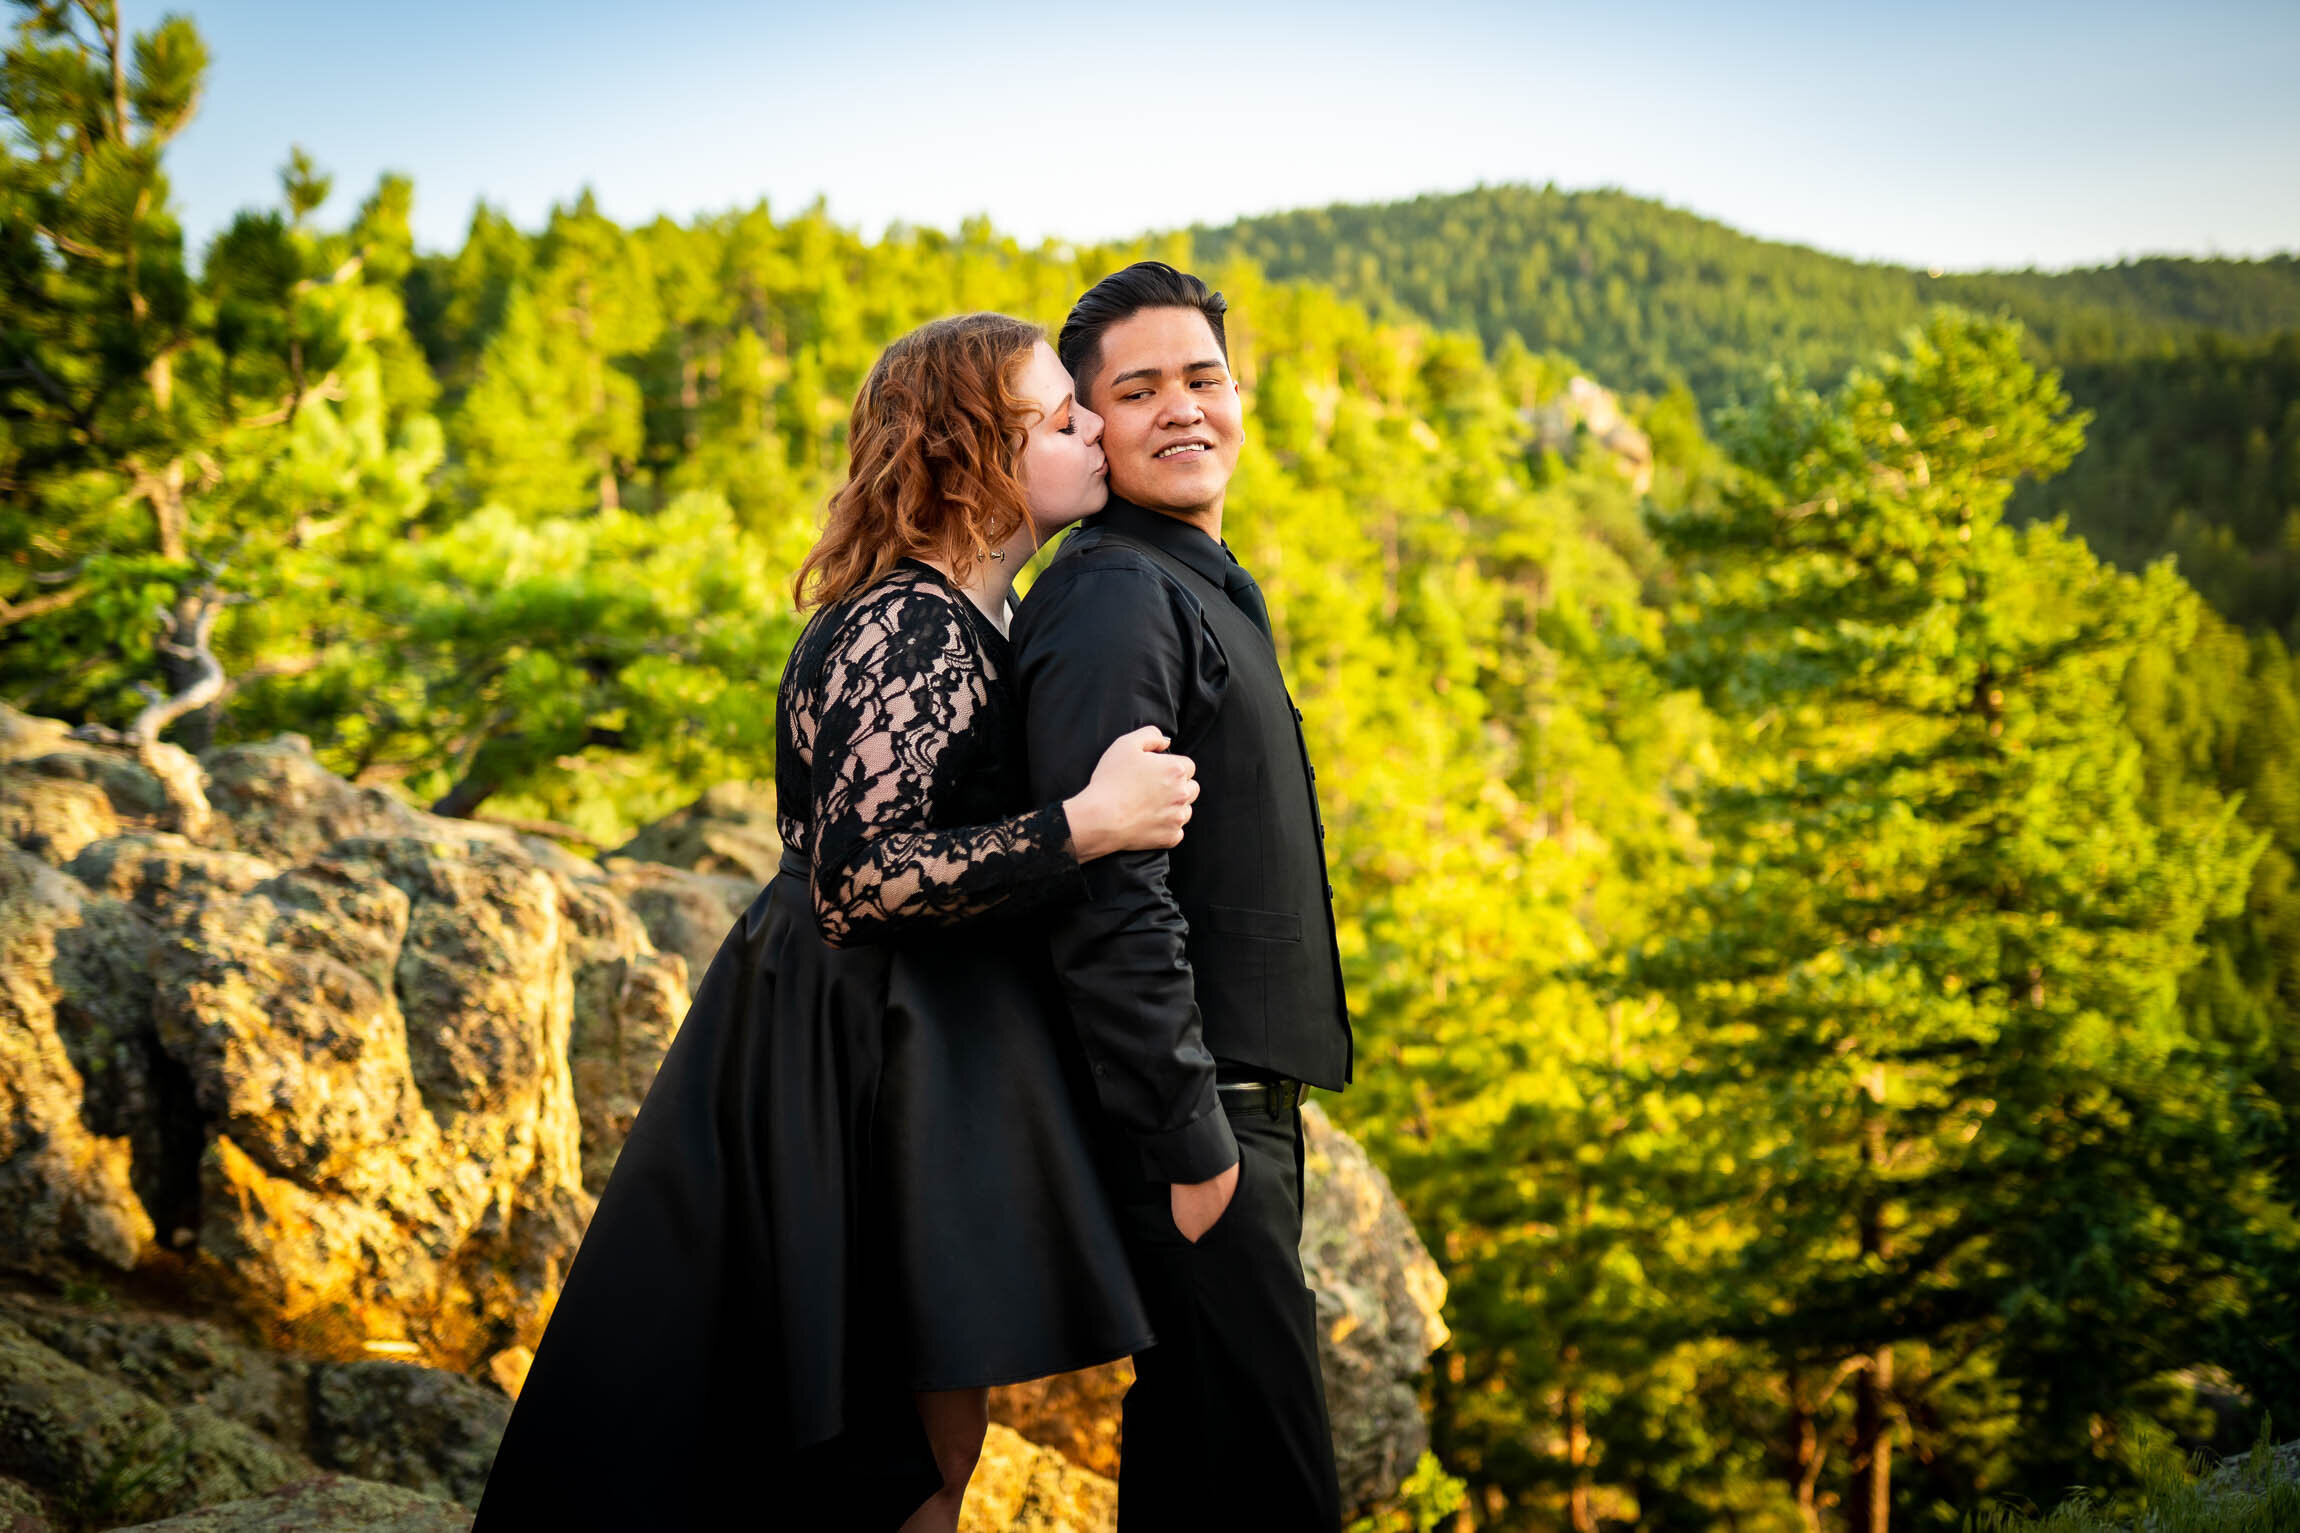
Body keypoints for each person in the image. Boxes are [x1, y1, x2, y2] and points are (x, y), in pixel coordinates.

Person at [472, 312, 1199, 1532]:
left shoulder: (980, 616)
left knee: (928, 1429)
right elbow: (858, 881)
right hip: (852, 1049)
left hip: (913, 1043)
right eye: (1059, 416)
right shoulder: (902, 625)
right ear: (978, 450)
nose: (1089, 432)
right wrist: (1080, 825)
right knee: (886, 1443)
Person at [1013, 262, 1355, 1529]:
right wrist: (1188, 1138)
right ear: (1090, 424)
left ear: (1239, 393)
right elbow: (1106, 882)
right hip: (1194, 1119)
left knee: (1196, 1472)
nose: (1181, 409)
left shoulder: (1188, 582)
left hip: (1232, 1107)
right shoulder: (1114, 596)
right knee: (1266, 1488)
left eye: (1201, 377)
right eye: (1137, 388)